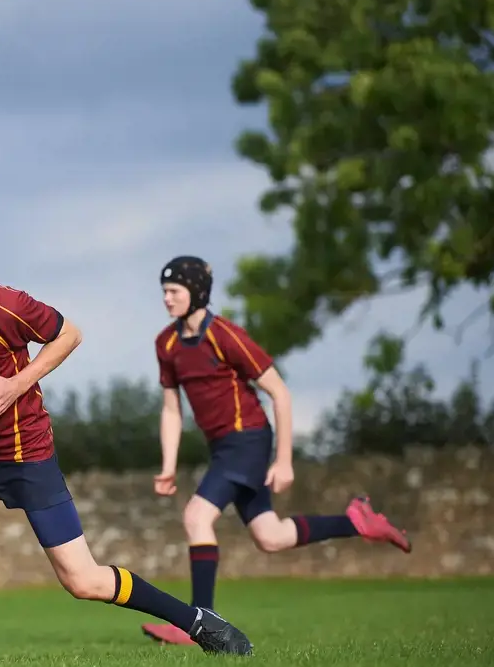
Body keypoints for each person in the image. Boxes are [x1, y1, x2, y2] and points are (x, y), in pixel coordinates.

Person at [0, 201, 254, 663]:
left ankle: (197, 622)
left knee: (82, 581)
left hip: (24, 452)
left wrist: (14, 386)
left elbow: (68, 334)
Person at [142, 255, 412, 645]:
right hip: (223, 447)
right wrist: (167, 465)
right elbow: (171, 407)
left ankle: (200, 622)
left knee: (196, 516)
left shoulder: (227, 336)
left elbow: (279, 393)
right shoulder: (165, 343)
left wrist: (284, 460)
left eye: (174, 292)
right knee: (271, 537)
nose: (167, 299)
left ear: (197, 292)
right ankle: (358, 521)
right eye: (164, 292)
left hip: (248, 438)